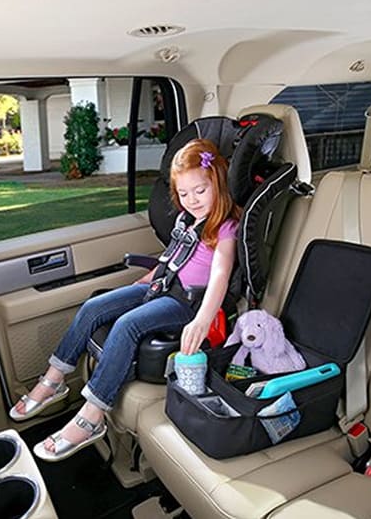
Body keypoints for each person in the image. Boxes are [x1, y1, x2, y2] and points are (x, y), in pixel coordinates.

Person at [13, 138, 240, 462]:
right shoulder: (188, 219)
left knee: (127, 324)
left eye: (200, 191)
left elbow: (219, 275)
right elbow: (173, 256)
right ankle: (54, 380)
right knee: (94, 307)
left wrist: (203, 318)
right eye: (184, 194)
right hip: (162, 285)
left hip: (186, 302)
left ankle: (91, 417)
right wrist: (144, 282)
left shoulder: (226, 226)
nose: (192, 200)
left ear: (217, 181)